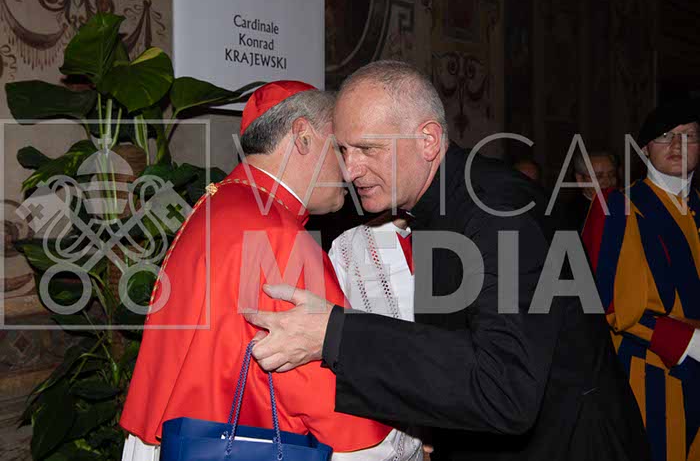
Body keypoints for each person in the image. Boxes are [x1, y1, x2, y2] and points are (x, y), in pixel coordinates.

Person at [244, 61, 649, 461]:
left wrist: (336, 335)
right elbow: (458, 349)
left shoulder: (499, 210)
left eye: (367, 149)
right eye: (343, 150)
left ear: (428, 140)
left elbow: (504, 388)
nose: (350, 171)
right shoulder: (437, 203)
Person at [119, 81, 422, 461]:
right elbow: (333, 401)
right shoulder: (277, 233)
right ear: (303, 136)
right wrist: (409, 436)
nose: (349, 169)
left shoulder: (216, 205)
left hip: (183, 439)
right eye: (340, 148)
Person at [583, 98, 700, 461]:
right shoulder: (618, 207)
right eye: (665, 136)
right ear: (645, 148)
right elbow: (607, 304)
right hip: (650, 378)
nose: (678, 145)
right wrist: (689, 341)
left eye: (689, 135)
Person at [564, 152, 619, 232]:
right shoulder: (569, 216)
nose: (607, 182)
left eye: (612, 174)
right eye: (598, 176)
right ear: (580, 179)